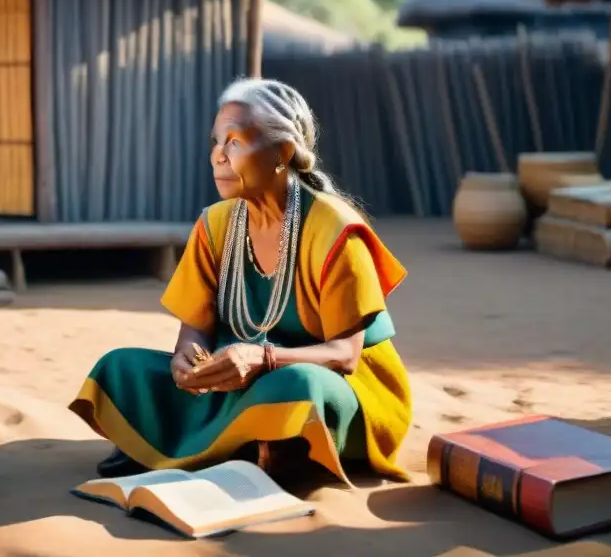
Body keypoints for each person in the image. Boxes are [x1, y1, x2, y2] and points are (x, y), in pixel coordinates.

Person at [69, 78, 411, 483]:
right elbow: (194, 331)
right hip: (236, 383)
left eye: (234, 142)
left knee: (294, 384)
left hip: (336, 389)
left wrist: (262, 357)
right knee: (119, 367)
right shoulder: (214, 225)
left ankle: (241, 445)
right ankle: (251, 447)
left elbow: (345, 355)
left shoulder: (333, 230)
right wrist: (187, 362)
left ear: (282, 153)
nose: (218, 156)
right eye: (216, 142)